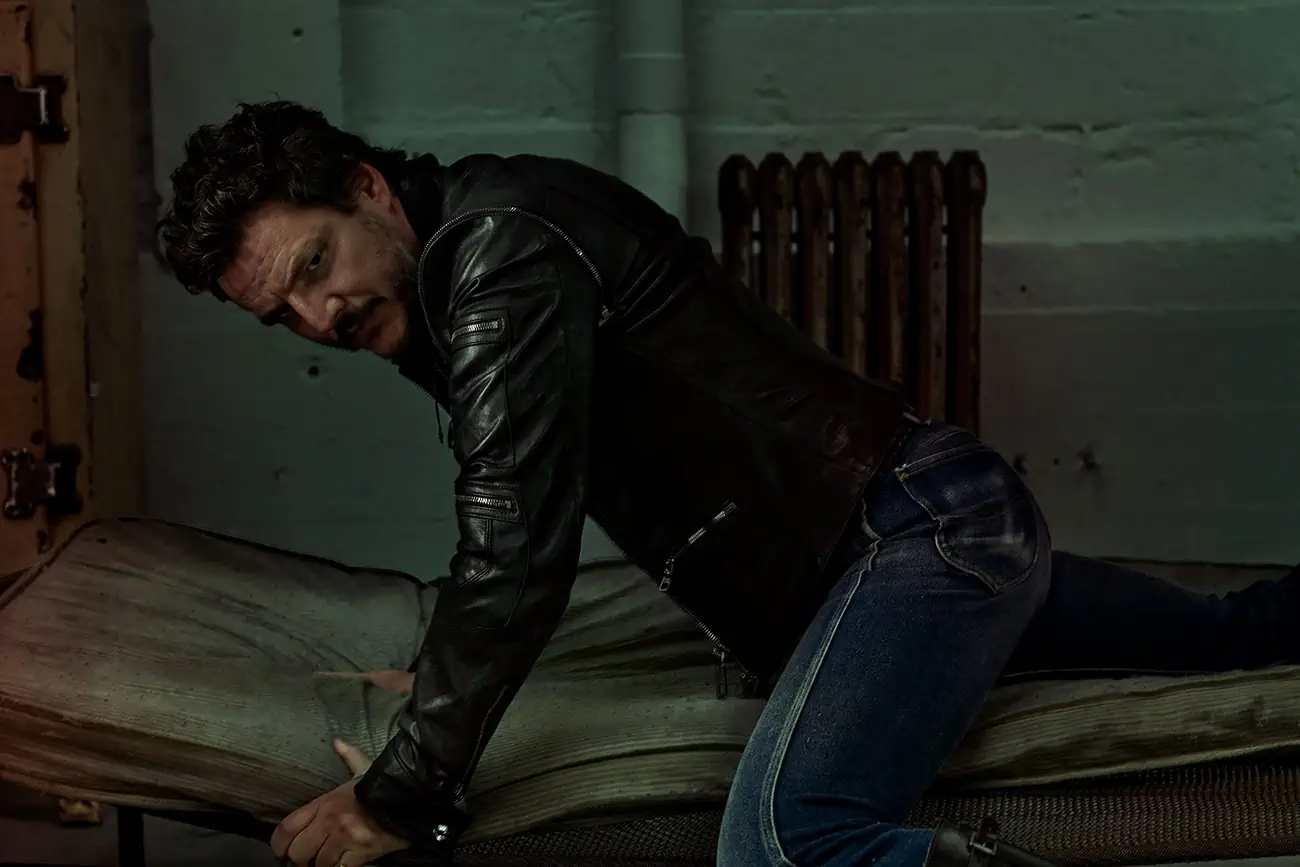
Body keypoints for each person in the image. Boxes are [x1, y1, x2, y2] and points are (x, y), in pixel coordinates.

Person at [155, 101, 1300, 867]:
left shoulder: (499, 253)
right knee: (1239, 634)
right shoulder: (466, 252)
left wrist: (399, 793)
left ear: (367, 189)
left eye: (314, 264)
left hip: (910, 539)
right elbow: (519, 516)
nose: (319, 315)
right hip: (919, 534)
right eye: (282, 313)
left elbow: (515, 543)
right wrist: (450, 673)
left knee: (785, 845)